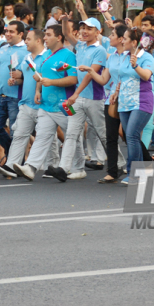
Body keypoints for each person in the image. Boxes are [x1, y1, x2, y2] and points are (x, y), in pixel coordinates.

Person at [12, 25, 84, 181]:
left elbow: (73, 79)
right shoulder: (47, 57)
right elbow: (42, 76)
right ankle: (31, 167)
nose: (45, 38)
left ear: (58, 37)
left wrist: (51, 82)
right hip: (45, 105)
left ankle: (79, 167)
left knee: (72, 136)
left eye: (48, 35)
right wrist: (38, 90)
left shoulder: (69, 56)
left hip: (64, 105)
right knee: (42, 136)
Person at [50, 17, 108, 182]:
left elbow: (90, 76)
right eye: (83, 28)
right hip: (79, 98)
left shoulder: (100, 51)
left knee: (102, 134)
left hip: (94, 99)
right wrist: (65, 20)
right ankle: (65, 168)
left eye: (89, 29)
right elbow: (67, 33)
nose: (84, 31)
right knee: (71, 134)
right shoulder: (81, 45)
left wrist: (75, 94)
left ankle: (118, 162)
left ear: (98, 32)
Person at [0, 28, 58, 177]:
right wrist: (16, 80)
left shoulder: (48, 57)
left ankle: (52, 166)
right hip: (25, 103)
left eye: (28, 39)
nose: (26, 42)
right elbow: (26, 78)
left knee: (47, 135)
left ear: (38, 40)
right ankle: (11, 165)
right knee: (19, 134)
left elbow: (48, 79)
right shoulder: (26, 58)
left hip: (43, 104)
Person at [80, 24, 129, 183]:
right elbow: (103, 80)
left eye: (113, 34)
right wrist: (90, 70)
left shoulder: (132, 56)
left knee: (130, 136)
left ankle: (145, 162)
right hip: (112, 101)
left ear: (121, 39)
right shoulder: (112, 56)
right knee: (110, 137)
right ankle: (113, 172)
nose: (110, 37)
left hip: (129, 100)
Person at [115, 28, 154, 184]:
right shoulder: (125, 57)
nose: (122, 40)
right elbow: (123, 77)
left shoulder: (147, 58)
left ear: (134, 42)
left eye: (125, 38)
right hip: (125, 102)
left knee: (132, 135)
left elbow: (146, 75)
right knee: (130, 137)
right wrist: (116, 91)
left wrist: (135, 66)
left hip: (142, 102)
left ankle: (133, 173)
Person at [0, 20, 29, 164]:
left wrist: (19, 79)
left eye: (12, 32)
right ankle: (12, 153)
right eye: (7, 31)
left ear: (21, 34)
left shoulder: (26, 50)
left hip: (16, 96)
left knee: (15, 131)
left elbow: (28, 75)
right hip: (0, 94)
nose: (8, 34)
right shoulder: (3, 48)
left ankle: (17, 163)